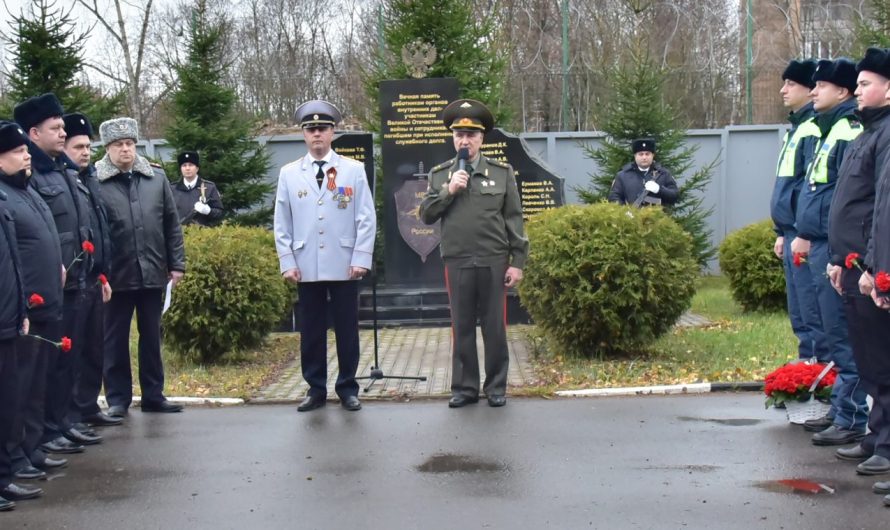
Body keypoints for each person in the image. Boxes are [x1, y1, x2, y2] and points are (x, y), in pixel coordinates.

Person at [419, 99, 529, 408]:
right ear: (453, 139)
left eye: (471, 135)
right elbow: (426, 214)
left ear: (482, 139)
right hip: (458, 260)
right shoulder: (441, 175)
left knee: (494, 327)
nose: (464, 141)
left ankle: (496, 386)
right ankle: (465, 388)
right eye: (459, 135)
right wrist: (449, 191)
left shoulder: (501, 172)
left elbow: (514, 219)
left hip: (494, 260)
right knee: (462, 326)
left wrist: (517, 262)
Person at [273, 100, 376, 412]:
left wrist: (361, 257)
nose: (316, 134)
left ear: (333, 133)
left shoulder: (353, 170)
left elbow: (366, 217)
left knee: (347, 329)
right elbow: (282, 222)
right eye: (310, 129)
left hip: (344, 262)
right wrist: (287, 262)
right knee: (311, 331)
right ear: (304, 135)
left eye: (322, 128)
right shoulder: (290, 174)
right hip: (307, 265)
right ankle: (315, 388)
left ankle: (347, 387)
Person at [789, 58, 870, 445]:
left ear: (843, 91)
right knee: (830, 333)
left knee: (842, 334)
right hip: (818, 242)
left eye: (822, 86)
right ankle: (840, 409)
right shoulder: (828, 129)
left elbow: (845, 198)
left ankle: (852, 415)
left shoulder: (848, 129)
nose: (814, 90)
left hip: (833, 246)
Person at [14, 93, 92, 459]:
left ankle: (62, 423)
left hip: (73, 282)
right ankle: (44, 433)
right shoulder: (32, 176)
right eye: (55, 128)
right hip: (47, 289)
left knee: (65, 364)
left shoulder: (61, 170)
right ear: (33, 132)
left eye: (63, 127)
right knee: (42, 371)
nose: (63, 133)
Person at [96, 117, 185, 416]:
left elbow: (171, 224)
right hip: (115, 277)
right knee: (115, 340)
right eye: (119, 144)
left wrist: (177, 265)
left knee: (151, 338)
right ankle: (118, 399)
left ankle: (154, 395)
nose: (126, 150)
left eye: (130, 143)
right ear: (108, 148)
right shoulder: (96, 182)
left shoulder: (155, 179)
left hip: (152, 271)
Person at [0, 120, 64, 490]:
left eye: (26, 150)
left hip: (34, 305)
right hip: (20, 309)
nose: (27, 155)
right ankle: (16, 456)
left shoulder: (25, 189)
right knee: (16, 392)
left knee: (34, 385)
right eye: (18, 151)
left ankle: (30, 450)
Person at [838, 48, 890, 489]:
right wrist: (840, 261)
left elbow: (883, 210)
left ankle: (887, 443)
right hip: (855, 266)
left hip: (871, 269)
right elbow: (850, 203)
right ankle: (877, 436)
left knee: (883, 360)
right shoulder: (866, 133)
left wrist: (878, 267)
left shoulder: (888, 134)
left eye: (866, 84)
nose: (858, 91)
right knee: (869, 359)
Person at [62, 112, 120, 431]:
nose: (85, 152)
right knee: (76, 348)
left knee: (94, 348)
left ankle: (87, 406)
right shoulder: (67, 182)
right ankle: (72, 413)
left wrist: (103, 273)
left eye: (87, 146)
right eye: (78, 146)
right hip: (74, 280)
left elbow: (100, 230)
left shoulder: (90, 179)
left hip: (94, 277)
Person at [769, 59, 826, 363]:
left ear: (810, 88)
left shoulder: (813, 130)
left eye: (791, 84)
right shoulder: (796, 129)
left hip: (804, 234)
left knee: (812, 305)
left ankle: (819, 370)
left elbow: (810, 187)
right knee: (799, 308)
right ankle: (807, 367)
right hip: (791, 232)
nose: (783, 90)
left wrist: (800, 230)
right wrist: (781, 231)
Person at [0, 122, 40, 509]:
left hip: (10, 318)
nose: (27, 154)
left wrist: (23, 307)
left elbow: (13, 261)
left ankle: (3, 478)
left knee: (8, 404)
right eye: (18, 150)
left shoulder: (8, 197)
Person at [607, 138, 679, 207]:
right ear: (635, 156)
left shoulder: (663, 174)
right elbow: (614, 197)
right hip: (631, 218)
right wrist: (624, 211)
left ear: (653, 155)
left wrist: (659, 190)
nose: (644, 157)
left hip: (658, 218)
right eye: (641, 154)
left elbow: (675, 196)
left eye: (647, 154)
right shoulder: (623, 175)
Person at [171, 151, 223, 226]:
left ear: (197, 168)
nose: (187, 168)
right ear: (181, 169)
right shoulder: (172, 188)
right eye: (184, 165)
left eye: (191, 165)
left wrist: (209, 211)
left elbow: (219, 213)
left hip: (202, 234)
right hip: (178, 234)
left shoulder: (209, 187)